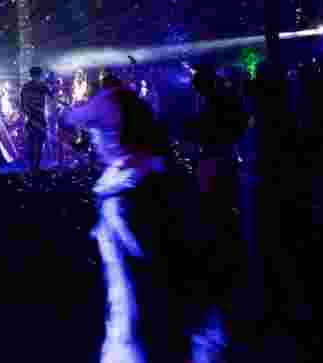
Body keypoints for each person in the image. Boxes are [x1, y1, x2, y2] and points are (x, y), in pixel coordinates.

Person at [88, 88, 223, 363]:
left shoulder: (129, 197)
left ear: (114, 136)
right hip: (138, 335)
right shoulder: (147, 180)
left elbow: (166, 272)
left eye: (97, 130)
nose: (92, 138)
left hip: (142, 340)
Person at [21, 67, 53, 176]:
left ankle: (33, 168)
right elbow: (52, 96)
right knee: (37, 144)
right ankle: (35, 168)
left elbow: (22, 105)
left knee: (32, 143)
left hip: (31, 119)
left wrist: (27, 115)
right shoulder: (42, 85)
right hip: (37, 118)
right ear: (39, 75)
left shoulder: (26, 86)